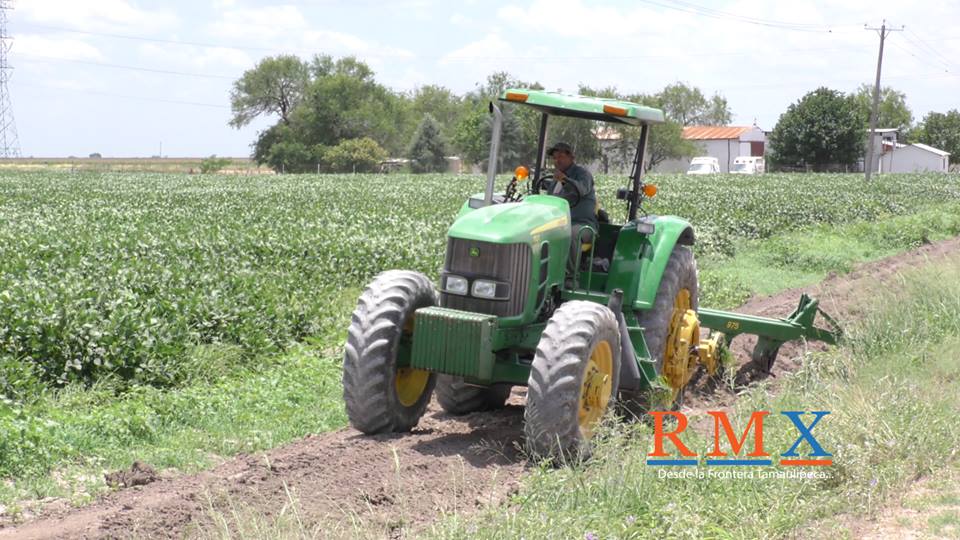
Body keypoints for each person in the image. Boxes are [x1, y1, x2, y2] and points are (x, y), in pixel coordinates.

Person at [545, 142, 597, 282]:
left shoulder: (582, 174)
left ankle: (570, 278)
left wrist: (564, 180)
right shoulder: (554, 178)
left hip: (582, 223)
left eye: (561, 156)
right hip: (557, 223)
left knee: (572, 233)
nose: (557, 160)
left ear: (571, 157)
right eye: (555, 158)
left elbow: (581, 189)